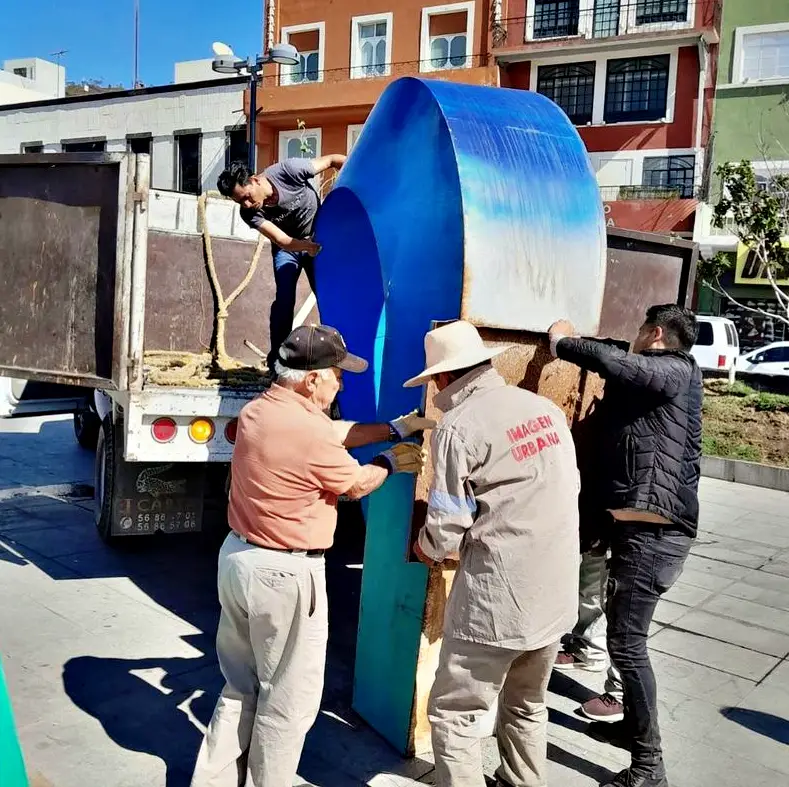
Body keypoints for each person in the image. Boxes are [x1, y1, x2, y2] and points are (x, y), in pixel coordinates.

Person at [192, 324, 433, 787]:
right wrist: (390, 460)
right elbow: (355, 483)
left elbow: (332, 433)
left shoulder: (261, 410)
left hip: (239, 559)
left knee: (240, 687)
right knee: (288, 701)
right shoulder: (308, 430)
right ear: (311, 380)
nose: (342, 382)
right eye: (337, 375)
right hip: (285, 575)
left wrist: (393, 428)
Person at [407, 320, 580, 787]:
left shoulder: (457, 427)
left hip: (497, 604)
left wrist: (424, 547)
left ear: (442, 379)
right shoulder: (545, 411)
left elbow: (445, 526)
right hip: (555, 595)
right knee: (526, 705)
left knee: (455, 714)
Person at [548, 304, 703, 787]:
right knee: (623, 637)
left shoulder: (675, 370)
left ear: (655, 334)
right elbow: (621, 363)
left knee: (628, 644)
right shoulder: (659, 379)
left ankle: (649, 766)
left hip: (656, 538)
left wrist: (562, 343)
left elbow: (620, 362)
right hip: (638, 534)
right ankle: (634, 730)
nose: (632, 339)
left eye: (638, 330)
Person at [217, 156, 347, 369]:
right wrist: (307, 247)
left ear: (255, 180)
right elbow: (282, 240)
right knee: (285, 298)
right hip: (289, 249)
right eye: (240, 202)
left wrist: (358, 175)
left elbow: (333, 159)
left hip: (317, 237)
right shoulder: (248, 214)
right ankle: (278, 360)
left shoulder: (289, 171)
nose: (247, 204)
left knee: (326, 294)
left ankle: (337, 351)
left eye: (247, 197)